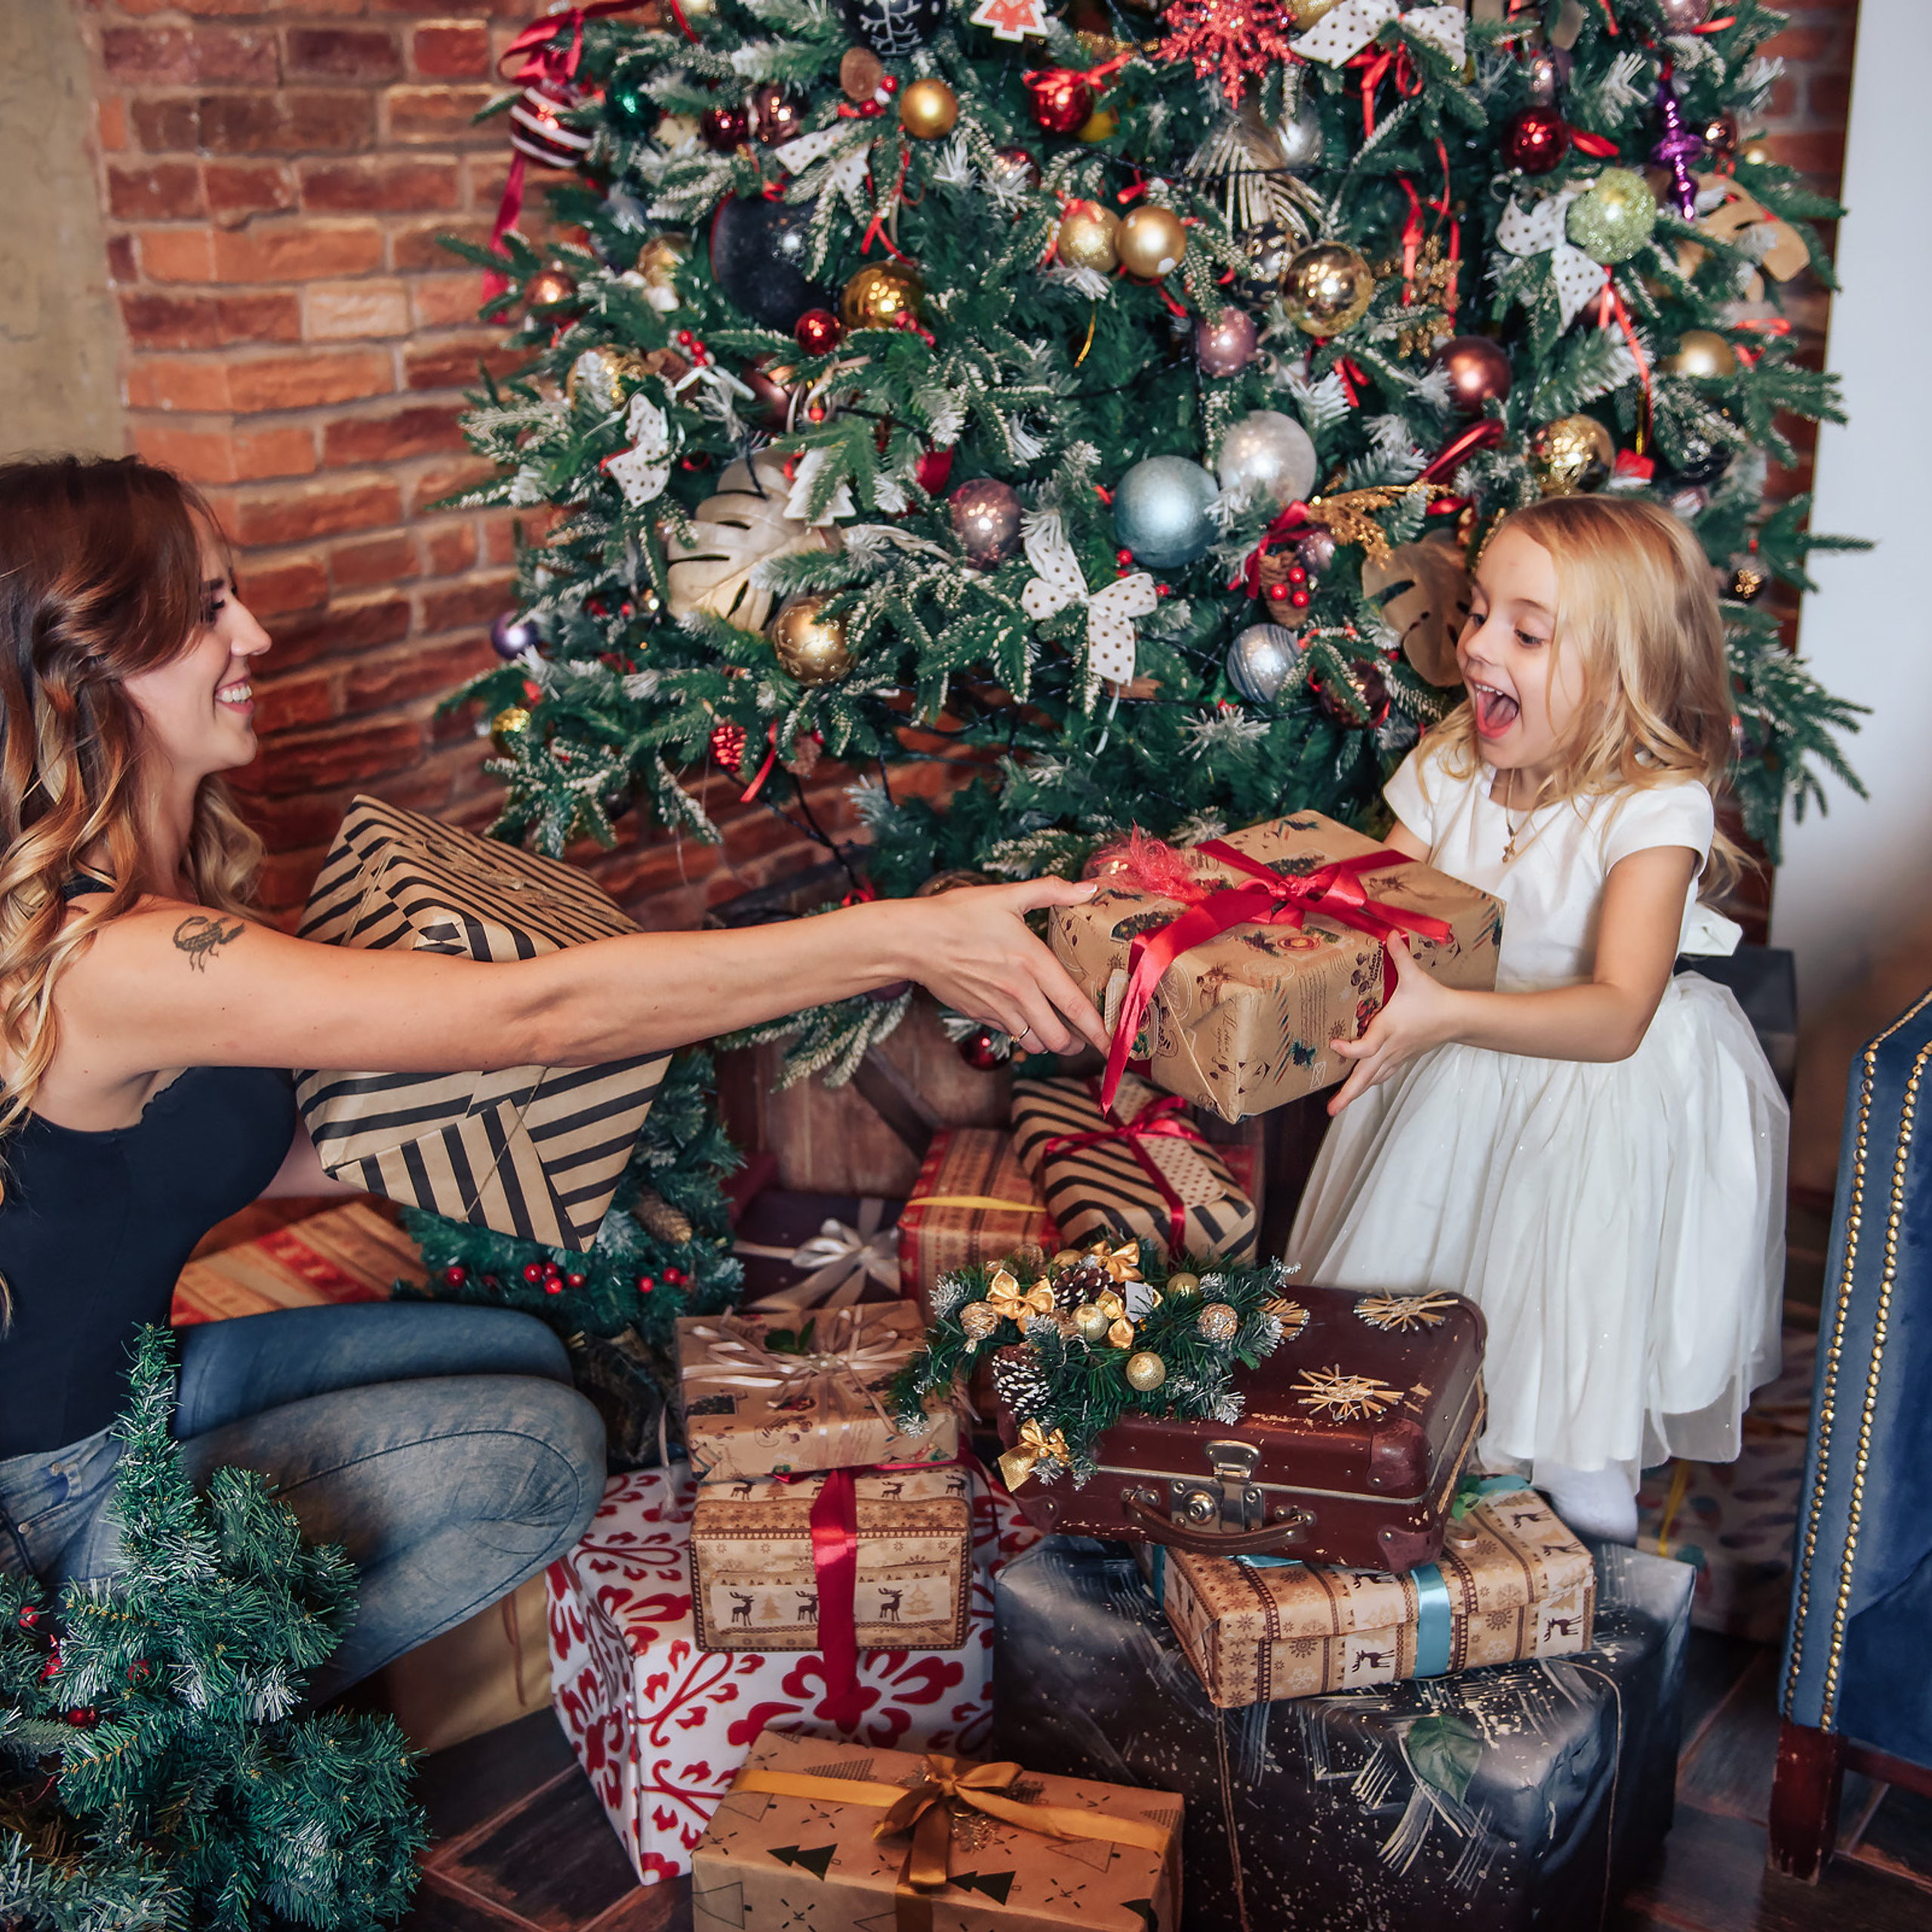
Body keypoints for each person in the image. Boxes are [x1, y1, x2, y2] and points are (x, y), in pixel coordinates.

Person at [0, 454, 1108, 1698]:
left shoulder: (148, 911)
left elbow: (246, 1146)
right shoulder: (122, 959)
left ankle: (174, 1667)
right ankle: (129, 1721)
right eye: (207, 610)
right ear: (85, 665)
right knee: (545, 1446)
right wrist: (902, 934)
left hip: (143, 1380)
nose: (252, 633)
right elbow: (537, 1014)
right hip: (57, 1485)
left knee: (523, 1352)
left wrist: (554, 1151)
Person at [1287, 495, 1787, 1545]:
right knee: (1422, 1267)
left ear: (1620, 669)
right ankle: (1418, 1449)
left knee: (1564, 1273)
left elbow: (1616, 1016)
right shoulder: (1452, 767)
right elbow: (1383, 912)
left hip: (1595, 1083)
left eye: (1527, 630)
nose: (1475, 647)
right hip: (1450, 1053)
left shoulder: (1652, 810)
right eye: (1476, 614)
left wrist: (1448, 1013)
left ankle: (1581, 1462)